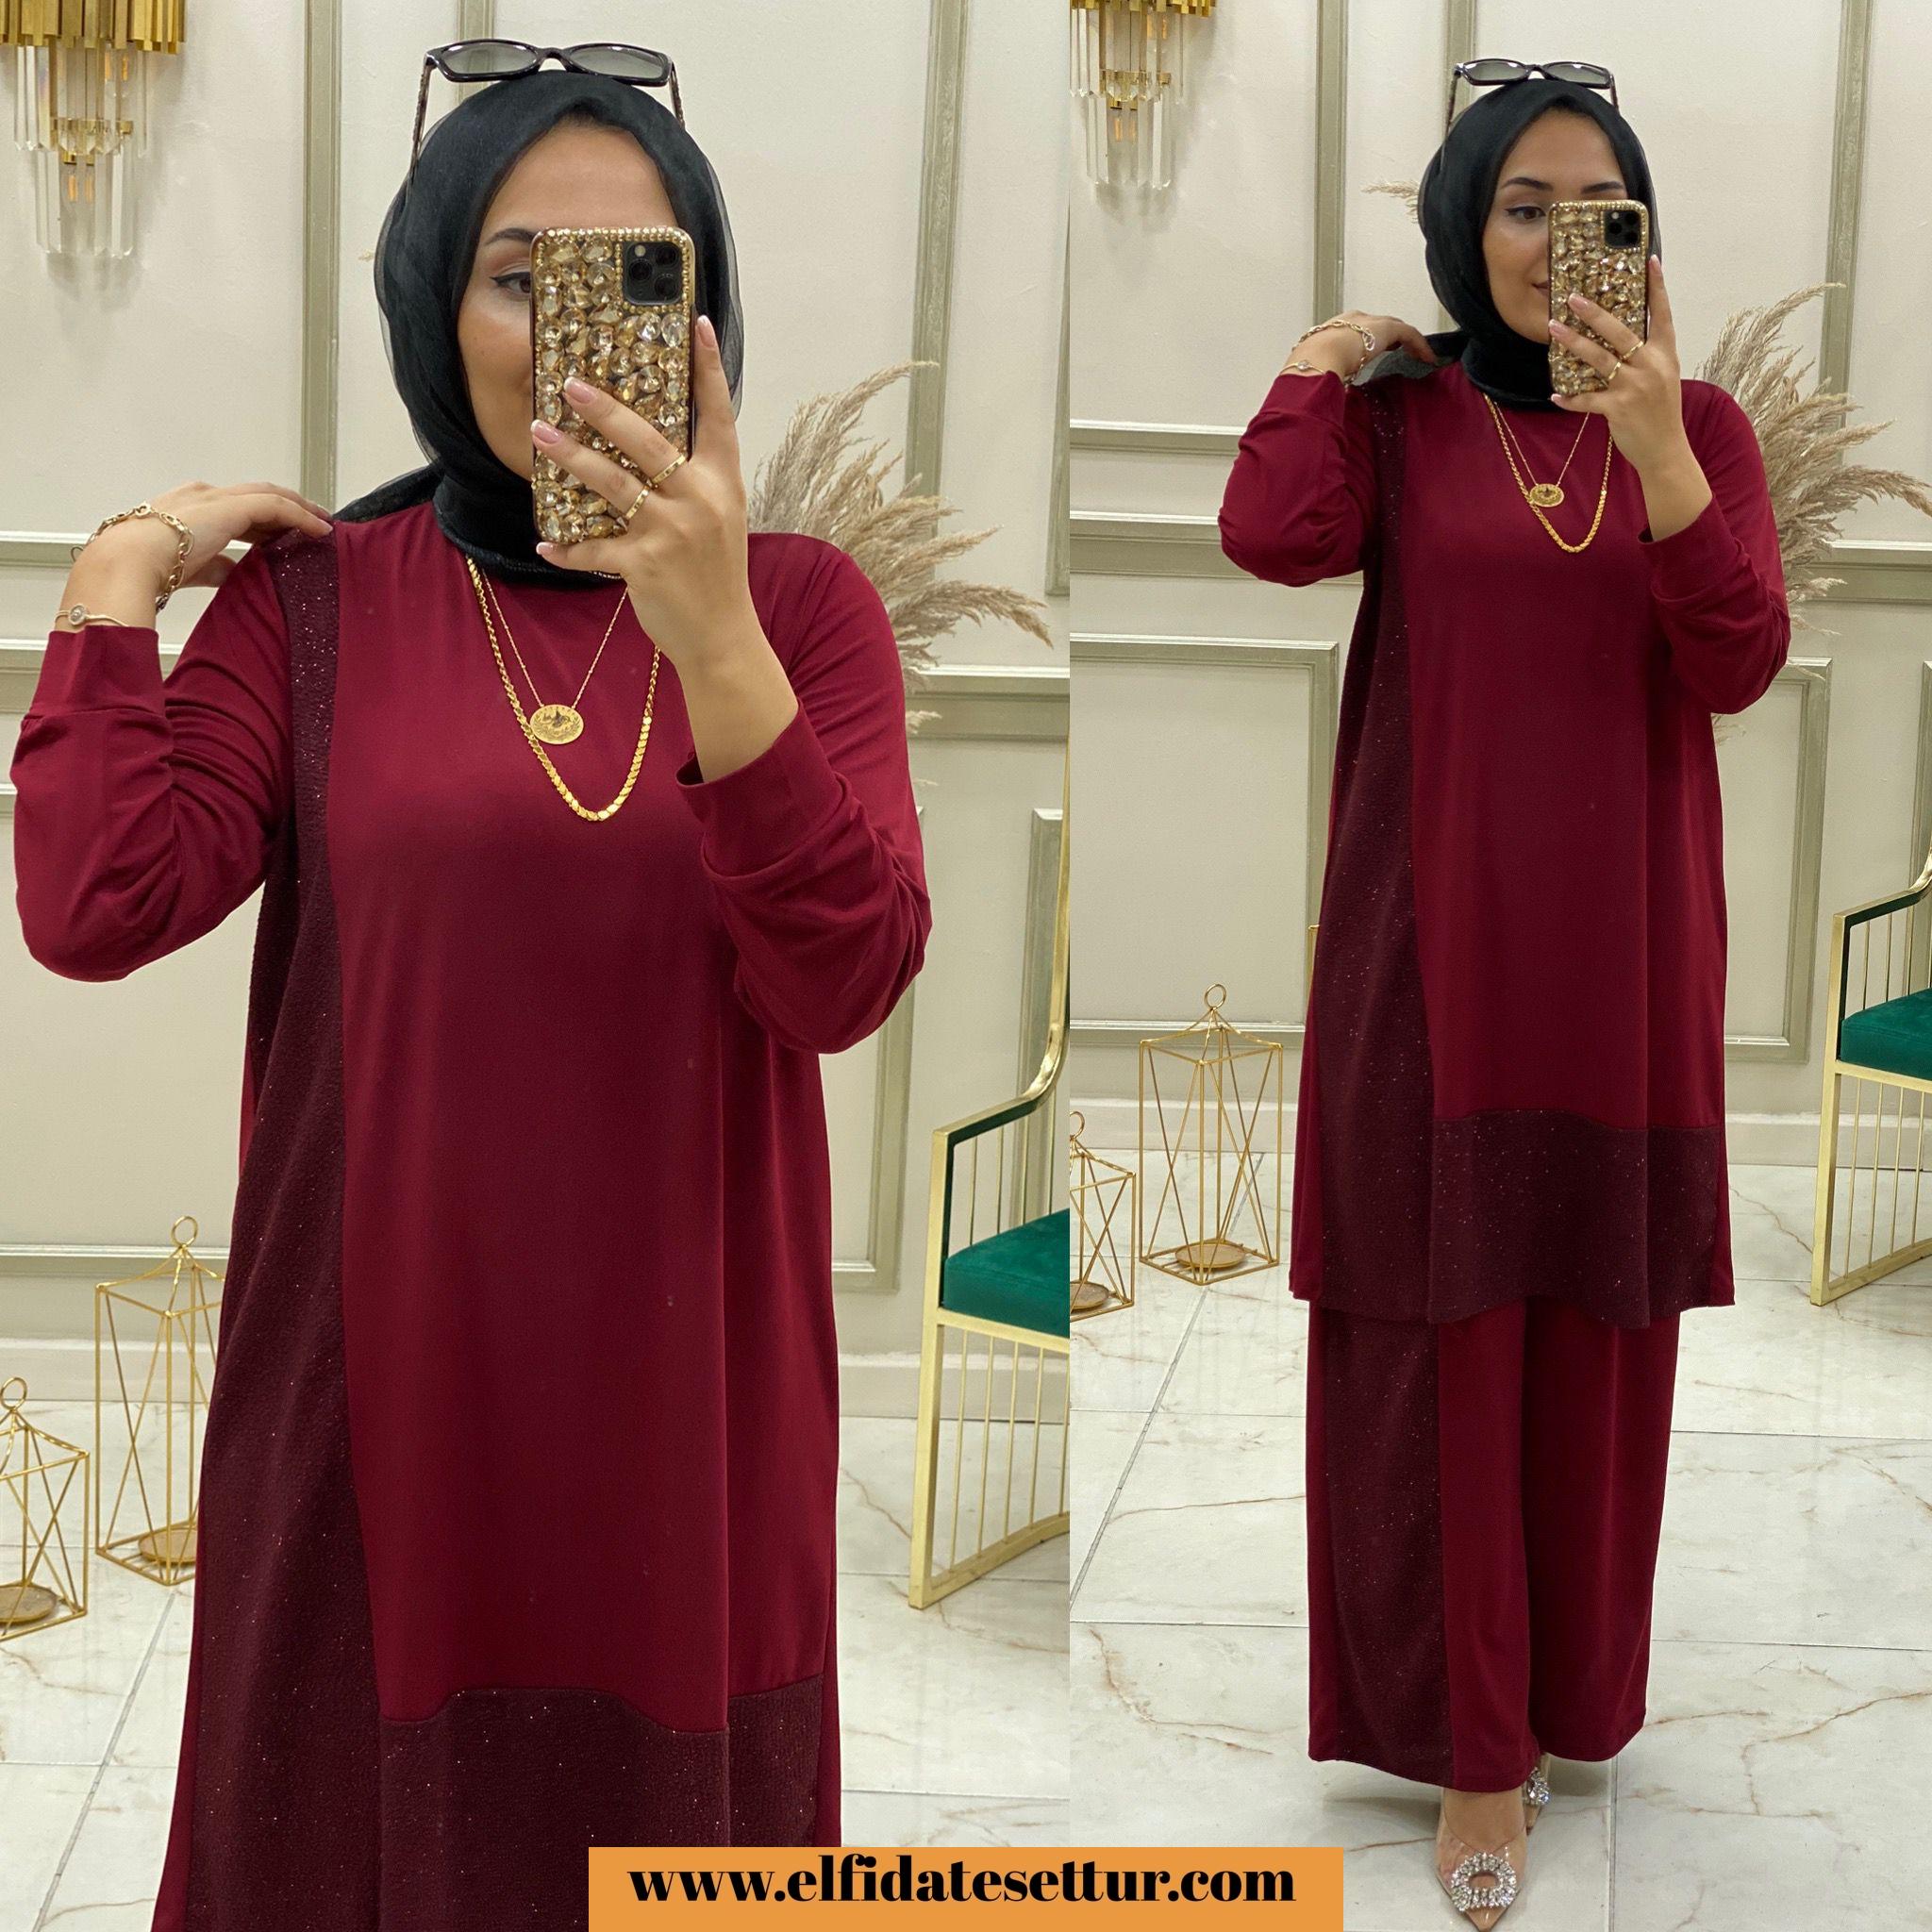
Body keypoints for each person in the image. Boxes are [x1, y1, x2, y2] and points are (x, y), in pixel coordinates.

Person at [8, 60, 931, 1928]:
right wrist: (118, 577)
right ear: (437, 305)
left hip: (689, 1377)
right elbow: (97, 904)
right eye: (519, 277)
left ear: (708, 316)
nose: (576, 337)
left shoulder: (801, 608)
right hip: (382, 1374)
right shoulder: (321, 602)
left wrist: (712, 627)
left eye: (639, 278)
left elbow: (841, 976)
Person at [1217, 72, 1788, 1929]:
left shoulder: (1701, 426)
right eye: (1523, 203)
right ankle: (1472, 1744)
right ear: (1466, 224)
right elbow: (1269, 536)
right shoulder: (1405, 419)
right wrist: (1319, 363)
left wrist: (1664, 447)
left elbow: (1738, 658)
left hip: (1623, 967)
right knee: (1442, 1347)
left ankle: (1564, 1700)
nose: (1559, 240)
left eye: (1599, 206)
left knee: (1593, 1339)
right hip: (1431, 962)